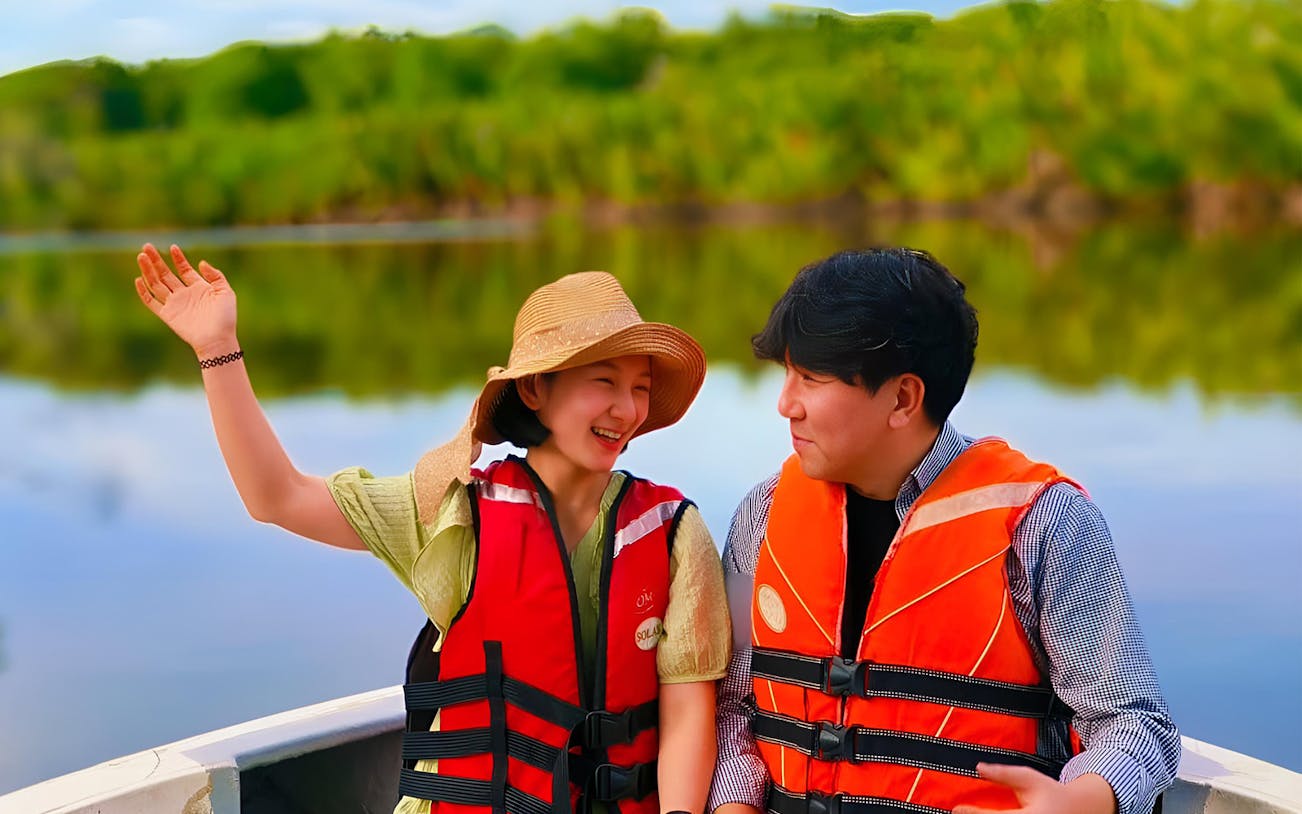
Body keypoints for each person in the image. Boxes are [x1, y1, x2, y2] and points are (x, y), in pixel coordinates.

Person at [133, 243, 731, 814]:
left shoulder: (675, 532)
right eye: (603, 382)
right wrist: (218, 349)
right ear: (534, 388)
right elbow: (277, 496)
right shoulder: (455, 512)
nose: (625, 410)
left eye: (640, 389)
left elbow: (686, 714)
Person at [707, 248, 1180, 814]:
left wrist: (1078, 801)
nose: (786, 404)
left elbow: (1134, 721)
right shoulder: (762, 514)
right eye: (787, 373)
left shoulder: (1042, 524)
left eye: (810, 378)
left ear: (903, 398)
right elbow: (737, 709)